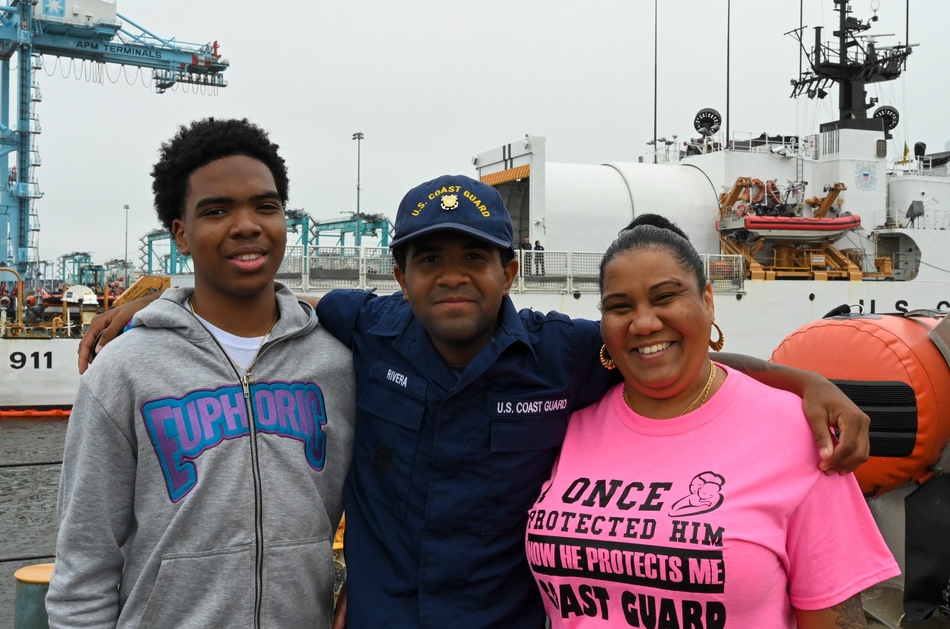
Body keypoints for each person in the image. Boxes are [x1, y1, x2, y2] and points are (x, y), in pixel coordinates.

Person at [79, 175, 870, 629]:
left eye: (474, 257)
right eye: (429, 259)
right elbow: (265, 300)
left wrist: (802, 381)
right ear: (397, 273)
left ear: (511, 272)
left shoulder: (561, 353)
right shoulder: (366, 327)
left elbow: (661, 350)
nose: (451, 274)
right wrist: (161, 299)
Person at [46, 117, 356, 628]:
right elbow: (85, 561)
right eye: (217, 210)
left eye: (266, 206)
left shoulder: (336, 361)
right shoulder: (125, 371)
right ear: (181, 234)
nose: (247, 225)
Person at [525, 214, 898, 627]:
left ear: (707, 300)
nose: (644, 322)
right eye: (620, 306)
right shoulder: (571, 424)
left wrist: (806, 382)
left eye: (665, 297)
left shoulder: (799, 435)